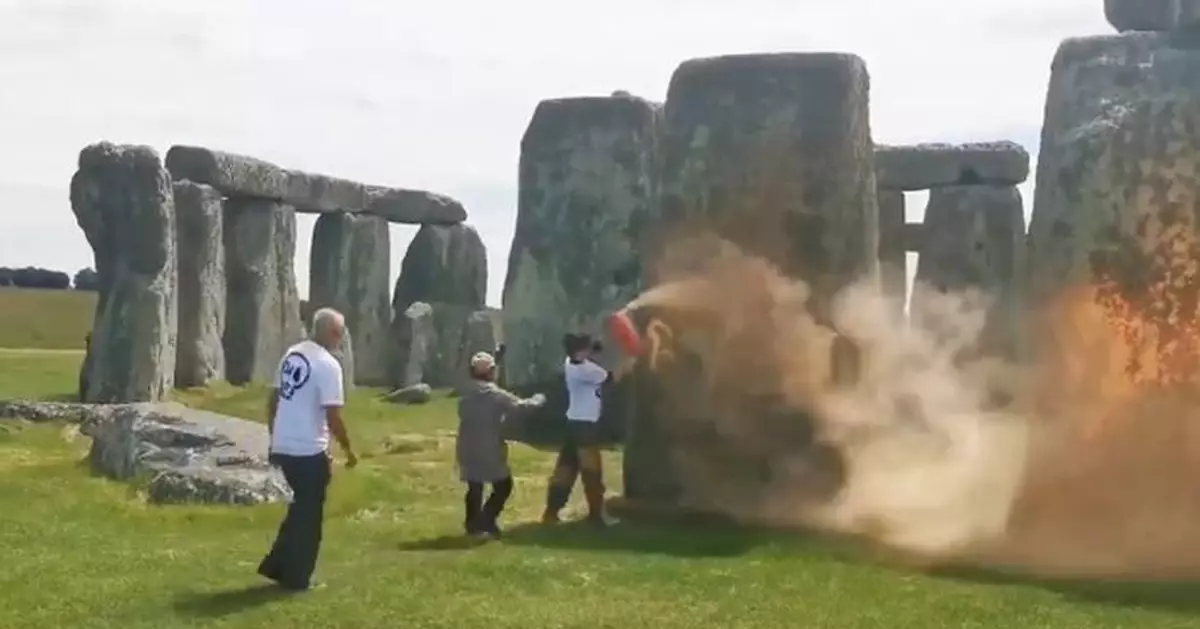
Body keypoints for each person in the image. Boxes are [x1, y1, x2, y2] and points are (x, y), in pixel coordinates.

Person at [257, 307, 357, 592]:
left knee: (297, 510)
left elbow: (273, 399)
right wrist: (348, 449)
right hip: (307, 450)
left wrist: (275, 434)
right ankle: (298, 577)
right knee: (309, 516)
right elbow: (333, 415)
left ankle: (276, 565)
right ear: (331, 333)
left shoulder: (292, 354)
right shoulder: (327, 365)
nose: (340, 338)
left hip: (284, 444)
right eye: (339, 332)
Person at [542, 332, 633, 526]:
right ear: (580, 351)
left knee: (565, 469)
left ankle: (551, 512)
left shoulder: (570, 363)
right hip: (587, 426)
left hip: (573, 422)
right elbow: (612, 378)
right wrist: (626, 360)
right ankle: (597, 516)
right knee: (592, 472)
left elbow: (586, 358)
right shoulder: (586, 371)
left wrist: (593, 349)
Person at [456, 351, 546, 538]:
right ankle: (486, 520)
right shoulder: (494, 394)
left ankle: (472, 525)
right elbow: (522, 407)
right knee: (503, 485)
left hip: (465, 444)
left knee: (475, 485)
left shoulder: (465, 391)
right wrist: (539, 399)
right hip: (488, 445)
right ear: (490, 372)